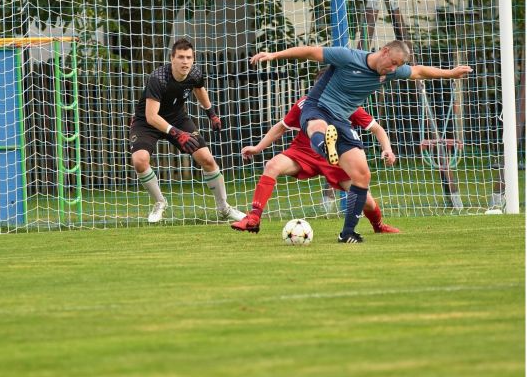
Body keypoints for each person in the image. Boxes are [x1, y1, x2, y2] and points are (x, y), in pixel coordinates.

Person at [249, 40, 472, 243]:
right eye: (392, 62)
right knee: (317, 126)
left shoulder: (390, 72)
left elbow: (418, 71)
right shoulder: (348, 57)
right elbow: (309, 52)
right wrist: (274, 55)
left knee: (362, 175)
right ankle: (325, 146)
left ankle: (347, 233)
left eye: (397, 66)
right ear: (384, 51)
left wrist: (450, 73)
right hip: (318, 107)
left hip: (341, 120)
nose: (393, 68)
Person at [231, 94, 400, 234]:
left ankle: (378, 227)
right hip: (303, 152)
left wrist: (387, 149)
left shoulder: (348, 105)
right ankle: (254, 217)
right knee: (272, 165)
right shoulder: (304, 103)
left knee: (367, 201)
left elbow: (377, 129)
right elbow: (281, 127)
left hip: (336, 159)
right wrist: (257, 148)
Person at [130, 38, 245, 223]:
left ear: (193, 59)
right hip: (147, 122)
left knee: (207, 159)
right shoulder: (158, 78)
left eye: (189, 57)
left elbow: (199, 89)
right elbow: (152, 117)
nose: (185, 61)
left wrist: (212, 114)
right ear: (172, 59)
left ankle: (224, 208)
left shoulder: (194, 73)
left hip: (177, 118)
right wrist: (177, 134)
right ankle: (160, 202)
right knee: (140, 161)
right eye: (181, 57)